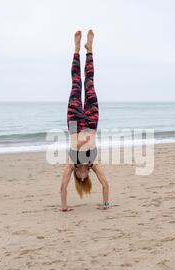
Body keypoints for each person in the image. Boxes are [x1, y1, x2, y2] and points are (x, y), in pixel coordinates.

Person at [60, 30, 110, 212]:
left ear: (77, 177)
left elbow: (62, 188)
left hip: (74, 123)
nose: (81, 176)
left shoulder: (71, 164)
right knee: (89, 82)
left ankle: (75, 49)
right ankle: (89, 50)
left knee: (76, 83)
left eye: (78, 178)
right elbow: (105, 185)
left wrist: (64, 207)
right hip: (91, 122)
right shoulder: (93, 163)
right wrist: (105, 204)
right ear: (86, 176)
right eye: (83, 178)